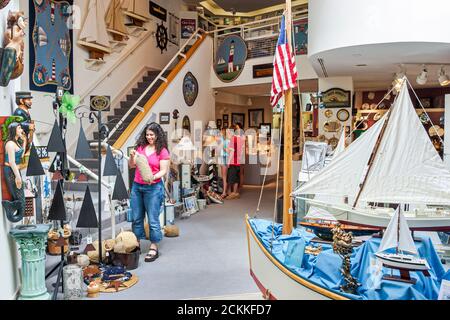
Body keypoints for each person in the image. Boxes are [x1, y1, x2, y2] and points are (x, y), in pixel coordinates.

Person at [129, 122, 170, 262]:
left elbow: (163, 171)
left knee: (152, 219)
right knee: (136, 217)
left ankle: (154, 246)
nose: (149, 137)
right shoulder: (140, 148)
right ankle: (137, 244)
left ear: (158, 135)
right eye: (147, 134)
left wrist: (152, 177)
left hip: (153, 188)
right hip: (137, 186)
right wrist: (132, 156)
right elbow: (132, 165)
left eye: (152, 134)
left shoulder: (162, 151)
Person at [2, 122, 26, 222]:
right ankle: (9, 207)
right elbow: (11, 162)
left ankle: (11, 206)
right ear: (13, 130)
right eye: (19, 128)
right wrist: (17, 176)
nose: (21, 130)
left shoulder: (17, 143)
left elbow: (21, 155)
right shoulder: (10, 144)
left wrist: (24, 141)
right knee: (18, 194)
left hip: (16, 171)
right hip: (11, 171)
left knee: (21, 195)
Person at [226, 123, 244, 200]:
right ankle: (235, 192)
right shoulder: (241, 139)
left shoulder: (233, 139)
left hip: (233, 161)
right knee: (236, 178)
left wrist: (228, 162)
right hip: (238, 161)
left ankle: (231, 194)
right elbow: (242, 151)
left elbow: (232, 151)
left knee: (230, 178)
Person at [217, 127, 231, 198]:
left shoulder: (227, 141)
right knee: (224, 176)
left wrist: (222, 147)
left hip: (225, 158)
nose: (220, 132)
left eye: (221, 131)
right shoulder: (222, 139)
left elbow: (228, 151)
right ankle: (227, 191)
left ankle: (224, 192)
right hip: (221, 158)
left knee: (224, 177)